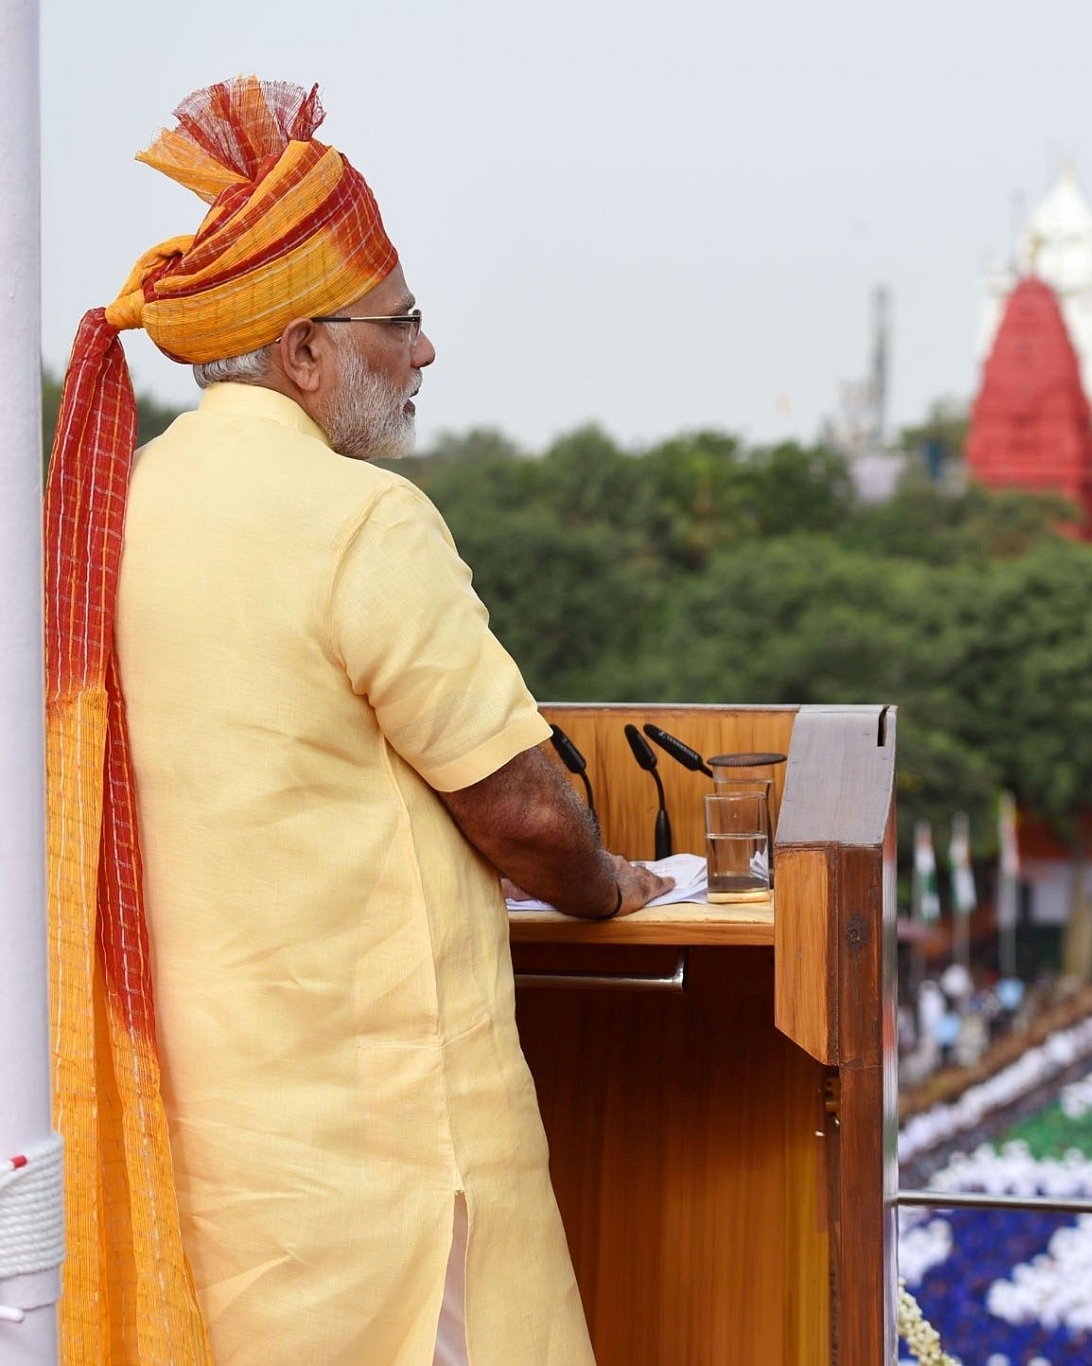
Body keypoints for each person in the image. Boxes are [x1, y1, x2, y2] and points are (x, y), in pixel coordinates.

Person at [45, 77, 669, 1366]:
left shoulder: (118, 511)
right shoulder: (362, 519)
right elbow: (520, 812)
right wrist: (615, 886)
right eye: (404, 323)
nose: (425, 353)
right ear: (307, 351)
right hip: (388, 1170)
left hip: (208, 1147)